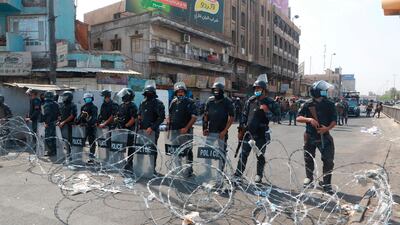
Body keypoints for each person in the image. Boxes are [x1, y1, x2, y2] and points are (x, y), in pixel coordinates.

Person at [234, 74, 280, 183]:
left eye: (259, 88)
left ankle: (259, 175)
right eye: (255, 88)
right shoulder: (250, 101)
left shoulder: (270, 102)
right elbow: (243, 116)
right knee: (243, 155)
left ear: (264, 90)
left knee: (260, 156)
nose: (257, 90)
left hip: (261, 135)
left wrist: (267, 111)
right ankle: (238, 174)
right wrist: (240, 130)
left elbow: (277, 117)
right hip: (248, 133)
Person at [296, 80, 337, 195]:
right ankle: (309, 177)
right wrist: (309, 119)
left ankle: (327, 184)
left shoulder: (329, 104)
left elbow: (334, 120)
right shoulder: (307, 104)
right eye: (323, 91)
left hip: (325, 136)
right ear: (317, 92)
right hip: (310, 136)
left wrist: (327, 129)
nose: (325, 92)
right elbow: (298, 118)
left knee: (328, 160)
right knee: (308, 158)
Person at [203, 78, 235, 172]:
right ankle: (207, 172)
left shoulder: (227, 101)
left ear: (222, 91)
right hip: (211, 131)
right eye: (214, 90)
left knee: (221, 153)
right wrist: (205, 128)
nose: (216, 92)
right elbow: (206, 115)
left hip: (221, 132)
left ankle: (220, 173)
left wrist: (224, 131)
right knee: (207, 152)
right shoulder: (210, 101)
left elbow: (232, 117)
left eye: (218, 90)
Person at [167, 82, 197, 175]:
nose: (180, 93)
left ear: (185, 92)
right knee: (176, 150)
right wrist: (168, 122)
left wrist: (186, 128)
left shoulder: (190, 102)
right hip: (174, 131)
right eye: (178, 92)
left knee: (187, 150)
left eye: (182, 92)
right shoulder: (173, 102)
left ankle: (189, 169)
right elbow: (170, 115)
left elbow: (194, 117)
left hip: (185, 131)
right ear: (176, 93)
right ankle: (177, 169)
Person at [138, 81, 165, 176]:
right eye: (147, 93)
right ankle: (140, 167)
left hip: (152, 131)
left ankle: (152, 168)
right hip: (142, 130)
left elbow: (161, 118)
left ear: (153, 93)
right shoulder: (143, 102)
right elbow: (140, 114)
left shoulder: (158, 103)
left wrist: (152, 127)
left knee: (151, 149)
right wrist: (139, 121)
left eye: (150, 93)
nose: (148, 95)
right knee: (141, 149)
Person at [116, 88, 138, 172]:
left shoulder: (133, 106)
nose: (122, 96)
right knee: (121, 146)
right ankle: (121, 162)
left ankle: (129, 164)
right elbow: (118, 116)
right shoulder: (121, 105)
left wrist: (125, 126)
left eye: (124, 95)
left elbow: (133, 119)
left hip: (129, 130)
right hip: (121, 129)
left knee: (130, 147)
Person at [76, 93, 98, 163]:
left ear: (92, 99)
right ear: (84, 99)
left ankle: (91, 158)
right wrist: (77, 122)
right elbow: (80, 116)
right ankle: (78, 157)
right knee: (81, 142)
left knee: (92, 143)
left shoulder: (94, 107)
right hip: (83, 128)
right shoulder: (83, 107)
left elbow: (94, 118)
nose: (87, 100)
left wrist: (89, 122)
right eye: (86, 99)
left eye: (89, 98)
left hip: (91, 128)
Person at [57, 91, 77, 161]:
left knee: (69, 140)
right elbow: (60, 115)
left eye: (65, 97)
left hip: (69, 125)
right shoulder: (62, 105)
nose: (63, 98)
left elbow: (72, 115)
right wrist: (59, 121)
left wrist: (63, 122)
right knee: (63, 140)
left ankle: (71, 155)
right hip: (62, 125)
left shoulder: (73, 105)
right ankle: (65, 154)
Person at [42, 91, 60, 157]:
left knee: (48, 137)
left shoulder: (46, 104)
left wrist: (46, 122)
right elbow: (59, 113)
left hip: (49, 123)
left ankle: (52, 151)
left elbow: (47, 114)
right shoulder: (56, 104)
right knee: (54, 137)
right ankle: (55, 150)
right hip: (55, 122)